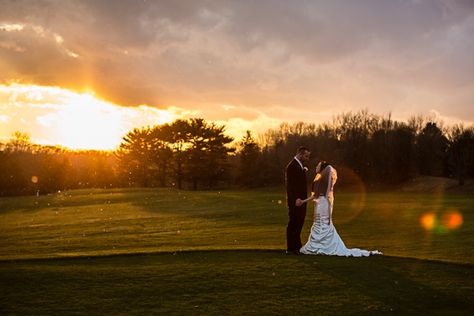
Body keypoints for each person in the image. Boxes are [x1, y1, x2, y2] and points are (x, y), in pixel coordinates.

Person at [300, 161, 382, 256]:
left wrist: (303, 201)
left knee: (323, 224)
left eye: (318, 165)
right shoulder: (321, 179)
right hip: (320, 204)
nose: (316, 166)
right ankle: (318, 246)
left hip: (323, 205)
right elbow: (316, 195)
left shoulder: (324, 180)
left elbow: (320, 195)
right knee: (318, 224)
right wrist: (304, 201)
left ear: (322, 168)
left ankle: (321, 247)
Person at [285, 146, 310, 254]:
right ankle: (292, 248)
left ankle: (297, 246)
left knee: (299, 223)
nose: (307, 158)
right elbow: (290, 185)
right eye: (306, 156)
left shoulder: (298, 165)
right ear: (300, 154)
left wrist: (303, 171)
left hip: (301, 200)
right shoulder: (292, 166)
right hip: (296, 201)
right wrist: (296, 198)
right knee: (294, 223)